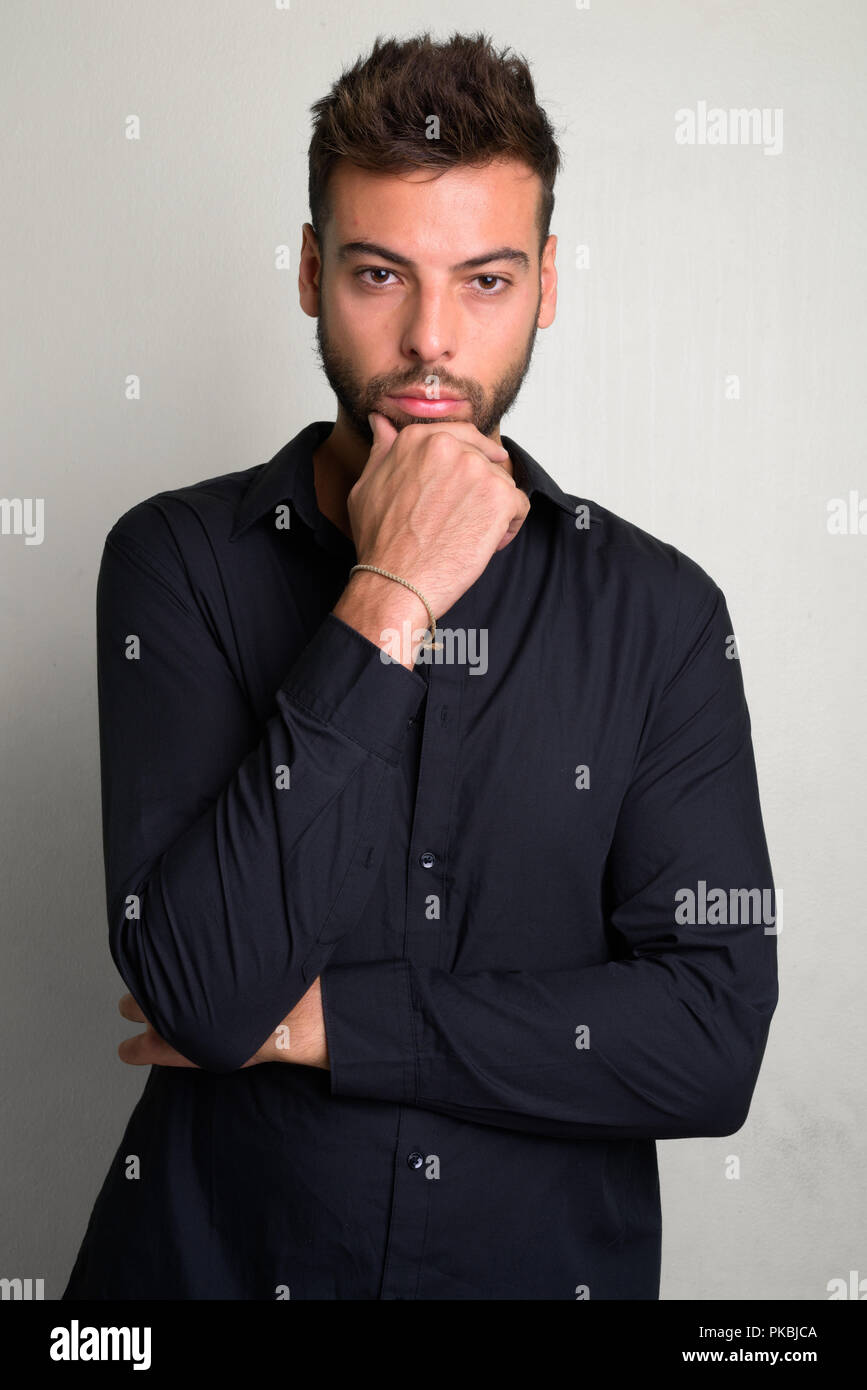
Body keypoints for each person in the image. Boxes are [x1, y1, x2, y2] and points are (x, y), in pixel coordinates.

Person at [62, 31, 778, 1301]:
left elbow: (711, 1047)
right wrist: (390, 594)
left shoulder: (661, 614)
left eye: (487, 280)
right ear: (308, 270)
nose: (432, 341)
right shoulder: (175, 562)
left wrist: (328, 1024)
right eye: (381, 273)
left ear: (548, 283)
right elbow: (204, 994)